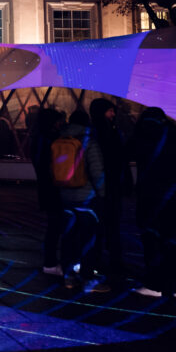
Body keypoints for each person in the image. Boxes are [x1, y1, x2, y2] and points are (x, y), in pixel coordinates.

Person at [132, 107, 176, 298]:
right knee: (174, 240)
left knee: (152, 239)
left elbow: (130, 152)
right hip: (173, 197)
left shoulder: (144, 138)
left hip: (151, 198)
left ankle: (155, 285)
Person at [56, 110, 109, 292]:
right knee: (88, 239)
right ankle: (87, 279)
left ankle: (68, 277)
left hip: (65, 197)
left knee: (68, 238)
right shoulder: (89, 143)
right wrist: (102, 195)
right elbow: (97, 172)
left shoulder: (59, 141)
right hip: (86, 199)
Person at [90, 98, 131, 283]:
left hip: (100, 187)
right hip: (108, 186)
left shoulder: (94, 132)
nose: (113, 114)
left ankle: (98, 260)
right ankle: (112, 260)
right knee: (110, 224)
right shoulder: (107, 132)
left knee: (99, 225)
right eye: (110, 111)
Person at [29, 108, 66, 276]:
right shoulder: (46, 139)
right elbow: (45, 165)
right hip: (52, 189)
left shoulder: (39, 138)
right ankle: (50, 263)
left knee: (55, 226)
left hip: (48, 188)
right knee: (55, 226)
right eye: (58, 121)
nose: (61, 124)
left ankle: (51, 262)